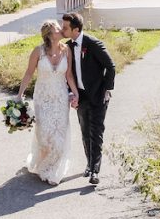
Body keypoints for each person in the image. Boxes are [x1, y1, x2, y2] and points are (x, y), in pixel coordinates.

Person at [16, 20, 79, 185]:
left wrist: (76, 94)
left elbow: (69, 76)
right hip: (42, 99)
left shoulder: (67, 51)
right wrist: (19, 95)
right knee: (44, 136)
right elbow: (29, 73)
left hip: (60, 99)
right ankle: (42, 162)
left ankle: (52, 169)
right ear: (50, 35)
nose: (61, 30)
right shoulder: (38, 51)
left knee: (59, 136)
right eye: (57, 29)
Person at [60, 12, 115, 186]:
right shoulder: (67, 46)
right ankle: (89, 164)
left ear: (76, 29)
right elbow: (68, 74)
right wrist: (71, 93)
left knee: (96, 132)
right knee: (85, 132)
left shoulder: (93, 44)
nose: (62, 29)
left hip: (98, 95)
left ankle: (95, 171)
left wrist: (107, 89)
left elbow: (110, 66)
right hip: (81, 96)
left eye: (65, 27)